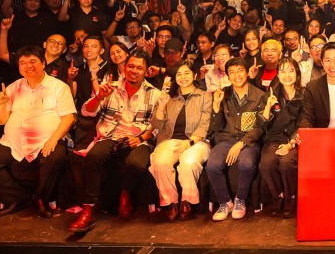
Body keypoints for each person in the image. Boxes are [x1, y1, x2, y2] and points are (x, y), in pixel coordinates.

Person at [69, 50, 162, 233]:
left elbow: (158, 127)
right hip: (111, 135)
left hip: (138, 139)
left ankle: (125, 195)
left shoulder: (155, 94)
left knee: (137, 163)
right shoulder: (110, 88)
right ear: (125, 68)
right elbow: (87, 111)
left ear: (145, 71)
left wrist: (141, 138)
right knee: (93, 156)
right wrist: (99, 97)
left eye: (139, 68)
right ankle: (88, 210)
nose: (134, 71)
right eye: (131, 66)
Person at [0, 45, 75, 217]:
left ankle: (41, 198)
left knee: (55, 158)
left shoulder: (59, 87)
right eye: (23, 63)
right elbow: (1, 120)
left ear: (43, 63)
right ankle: (18, 198)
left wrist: (53, 140)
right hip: (13, 141)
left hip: (47, 139)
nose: (28, 66)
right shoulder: (13, 87)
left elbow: (69, 117)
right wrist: (0, 104)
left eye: (33, 61)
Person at [148, 62, 213, 222]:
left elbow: (204, 125)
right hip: (170, 140)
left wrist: (189, 142)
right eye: (179, 74)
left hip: (196, 141)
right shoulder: (169, 98)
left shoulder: (204, 96)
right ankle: (171, 202)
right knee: (160, 162)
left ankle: (187, 201)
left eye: (186, 73)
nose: (183, 77)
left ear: (194, 75)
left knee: (189, 163)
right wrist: (161, 107)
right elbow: (156, 125)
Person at [206, 57, 269, 221]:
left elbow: (259, 127)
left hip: (248, 141)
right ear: (227, 76)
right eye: (232, 72)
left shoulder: (260, 95)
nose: (237, 75)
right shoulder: (223, 94)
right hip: (225, 139)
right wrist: (216, 106)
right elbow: (216, 127)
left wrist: (241, 144)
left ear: (247, 72)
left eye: (240, 71)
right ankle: (225, 202)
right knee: (212, 166)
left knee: (247, 164)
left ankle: (240, 200)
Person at [259, 57, 304, 218]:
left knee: (286, 163)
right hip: (275, 139)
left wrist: (291, 144)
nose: (287, 75)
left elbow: (304, 122)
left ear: (297, 73)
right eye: (283, 71)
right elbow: (262, 125)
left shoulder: (304, 95)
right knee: (266, 163)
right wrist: (268, 107)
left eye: (291, 71)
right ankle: (278, 196)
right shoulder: (271, 95)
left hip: (296, 140)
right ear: (278, 74)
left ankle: (290, 197)